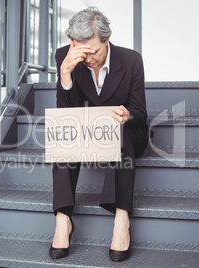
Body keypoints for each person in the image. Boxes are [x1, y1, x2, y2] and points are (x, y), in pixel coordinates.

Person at [49, 7, 148, 262]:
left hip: (127, 133)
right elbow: (66, 116)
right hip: (88, 134)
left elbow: (140, 112)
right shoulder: (65, 57)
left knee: (120, 128)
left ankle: (122, 220)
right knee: (63, 131)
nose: (89, 58)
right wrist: (65, 74)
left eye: (95, 51)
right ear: (73, 43)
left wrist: (128, 115)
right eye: (83, 52)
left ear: (107, 40)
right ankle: (63, 220)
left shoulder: (131, 60)